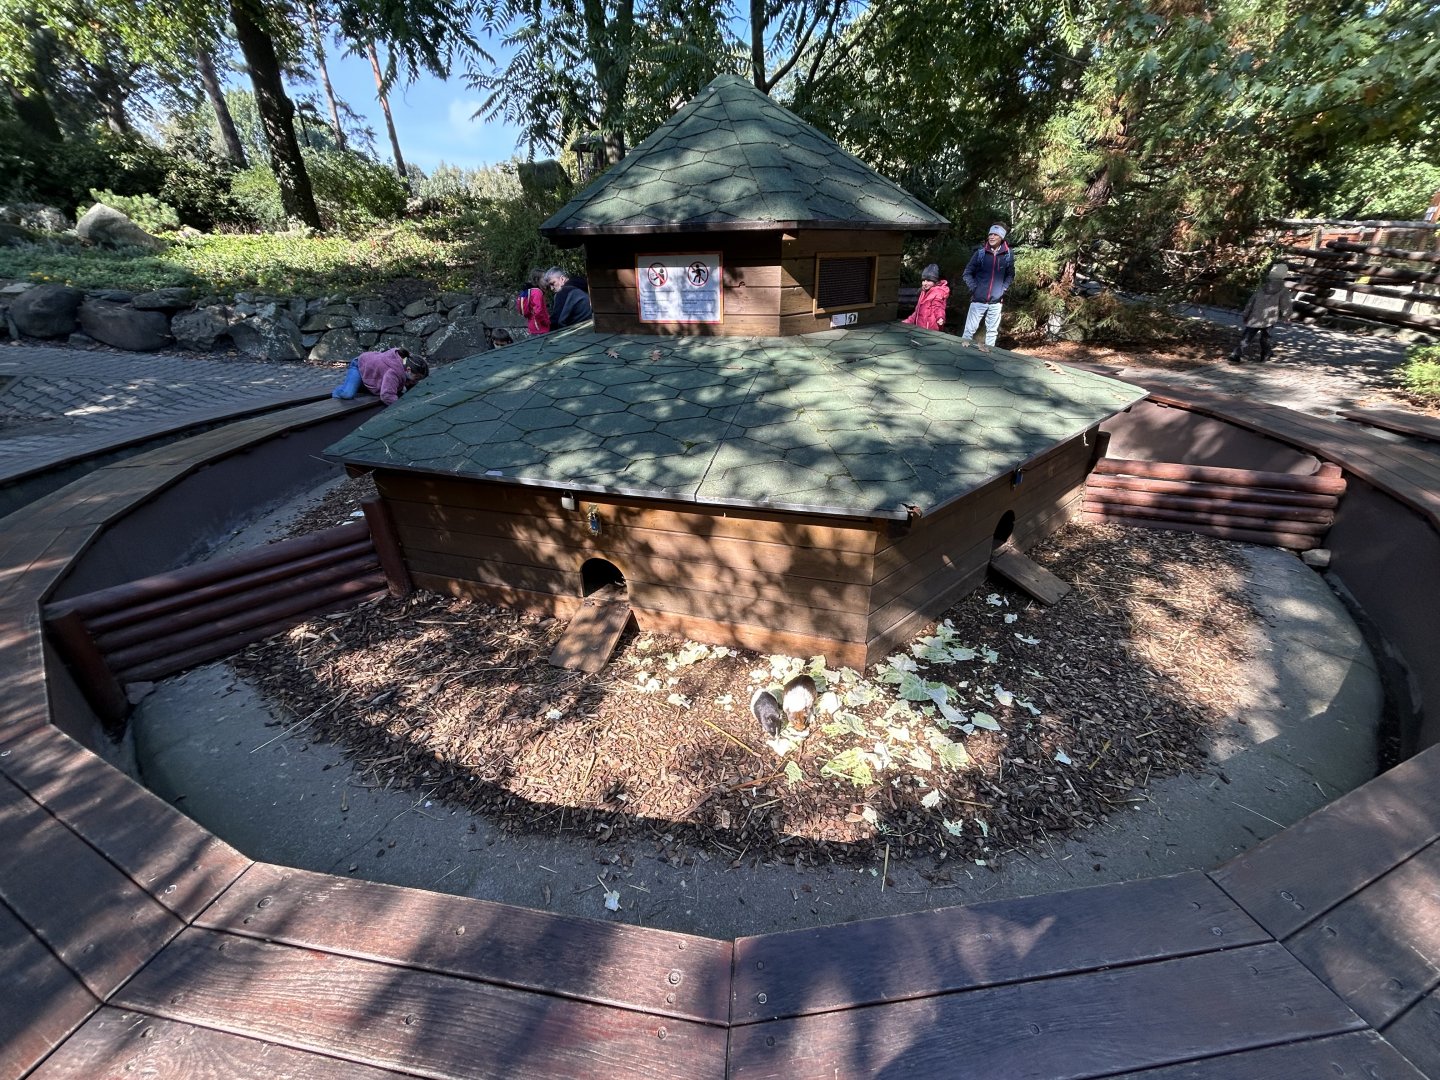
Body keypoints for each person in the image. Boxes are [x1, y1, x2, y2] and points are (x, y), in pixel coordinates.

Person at [960, 224, 1015, 349]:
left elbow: (1010, 275)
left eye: (995, 234)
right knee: (969, 331)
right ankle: (962, 354)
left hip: (996, 302)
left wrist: (1003, 288)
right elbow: (967, 273)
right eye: (990, 234)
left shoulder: (1008, 255)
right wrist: (975, 288)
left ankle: (989, 357)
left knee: (992, 332)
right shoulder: (980, 254)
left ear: (1001, 237)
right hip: (978, 300)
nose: (992, 237)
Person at [1230, 263, 1294, 363]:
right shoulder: (1283, 290)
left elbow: (1251, 301)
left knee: (1247, 337)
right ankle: (1266, 355)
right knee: (1265, 338)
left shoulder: (1262, 287)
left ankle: (1236, 354)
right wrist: (1287, 316)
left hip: (1254, 316)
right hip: (1270, 318)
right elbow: (1285, 304)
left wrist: (1246, 314)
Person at [331, 347, 429, 406]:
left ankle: (360, 384)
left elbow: (407, 384)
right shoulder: (393, 372)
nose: (416, 381)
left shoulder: (404, 363)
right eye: (416, 378)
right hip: (359, 365)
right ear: (408, 370)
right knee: (347, 394)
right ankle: (337, 391)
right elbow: (386, 396)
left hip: (370, 372)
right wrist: (401, 406)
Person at [903, 263, 950, 331]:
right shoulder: (924, 292)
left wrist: (940, 317)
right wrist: (908, 321)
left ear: (935, 282)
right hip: (920, 329)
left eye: (928, 281)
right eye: (923, 280)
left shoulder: (937, 292)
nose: (925, 283)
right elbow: (918, 312)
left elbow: (938, 307)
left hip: (930, 331)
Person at [516, 269, 550, 335]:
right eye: (544, 279)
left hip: (532, 327)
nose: (547, 281)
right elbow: (538, 312)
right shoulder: (537, 292)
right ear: (537, 280)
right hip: (540, 328)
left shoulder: (529, 291)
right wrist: (547, 322)